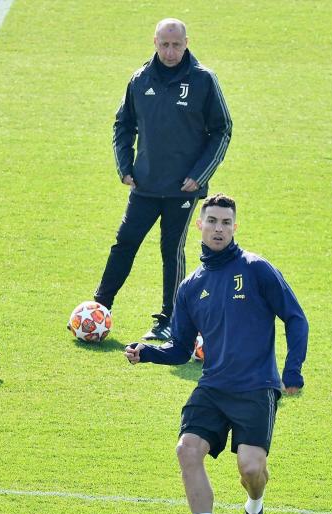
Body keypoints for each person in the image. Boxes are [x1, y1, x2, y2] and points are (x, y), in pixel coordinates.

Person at [125, 193, 308, 514]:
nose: (219, 229)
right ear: (199, 225)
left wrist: (292, 371)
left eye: (226, 222)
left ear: (235, 227)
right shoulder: (191, 287)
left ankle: (254, 509)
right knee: (186, 450)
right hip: (213, 388)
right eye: (212, 221)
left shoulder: (257, 269)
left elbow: (295, 317)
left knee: (252, 469)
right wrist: (147, 353)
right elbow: (179, 349)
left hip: (257, 387)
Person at [95, 18, 233, 341]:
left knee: (172, 250)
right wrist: (125, 166)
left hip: (182, 189)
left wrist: (199, 175)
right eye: (164, 45)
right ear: (154, 43)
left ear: (186, 43)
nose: (170, 52)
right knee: (124, 242)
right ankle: (100, 306)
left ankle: (170, 318)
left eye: (176, 45)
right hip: (144, 185)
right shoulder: (140, 79)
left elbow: (222, 130)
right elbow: (122, 125)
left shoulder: (203, 81)